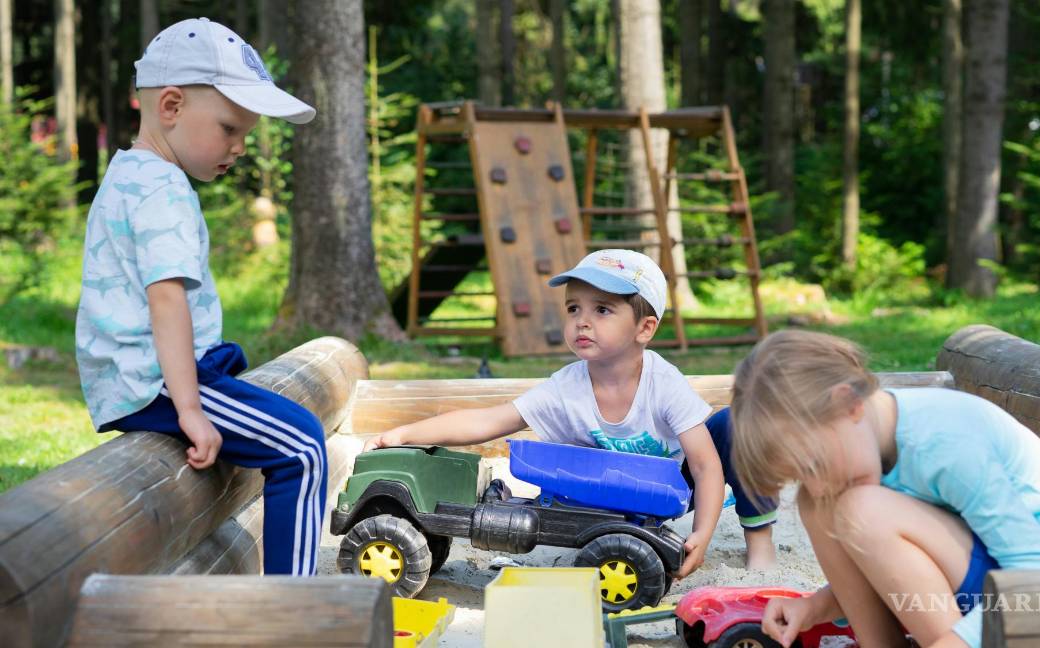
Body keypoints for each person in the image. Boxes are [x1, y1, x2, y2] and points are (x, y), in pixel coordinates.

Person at [75, 18, 324, 576]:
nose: (238, 148)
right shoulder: (162, 189)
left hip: (139, 376)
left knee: (276, 420)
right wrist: (190, 408)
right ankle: (300, 609)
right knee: (303, 447)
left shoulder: (129, 174)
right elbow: (166, 300)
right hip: (158, 383)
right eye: (230, 129)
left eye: (246, 136)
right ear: (170, 106)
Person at [363, 249, 775, 575]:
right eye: (573, 308)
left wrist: (702, 534)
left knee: (737, 426)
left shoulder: (663, 382)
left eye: (602, 310)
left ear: (644, 329)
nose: (582, 321)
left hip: (667, 486)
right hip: (604, 497)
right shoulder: (567, 386)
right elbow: (491, 420)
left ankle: (760, 540)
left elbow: (705, 467)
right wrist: (404, 434)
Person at [729, 330, 1040, 648]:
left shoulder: (944, 443)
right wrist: (814, 608)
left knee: (862, 511)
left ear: (848, 404)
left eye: (814, 465)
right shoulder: (864, 448)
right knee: (817, 505)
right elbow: (897, 571)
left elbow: (1037, 573)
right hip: (981, 586)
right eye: (801, 476)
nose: (817, 483)